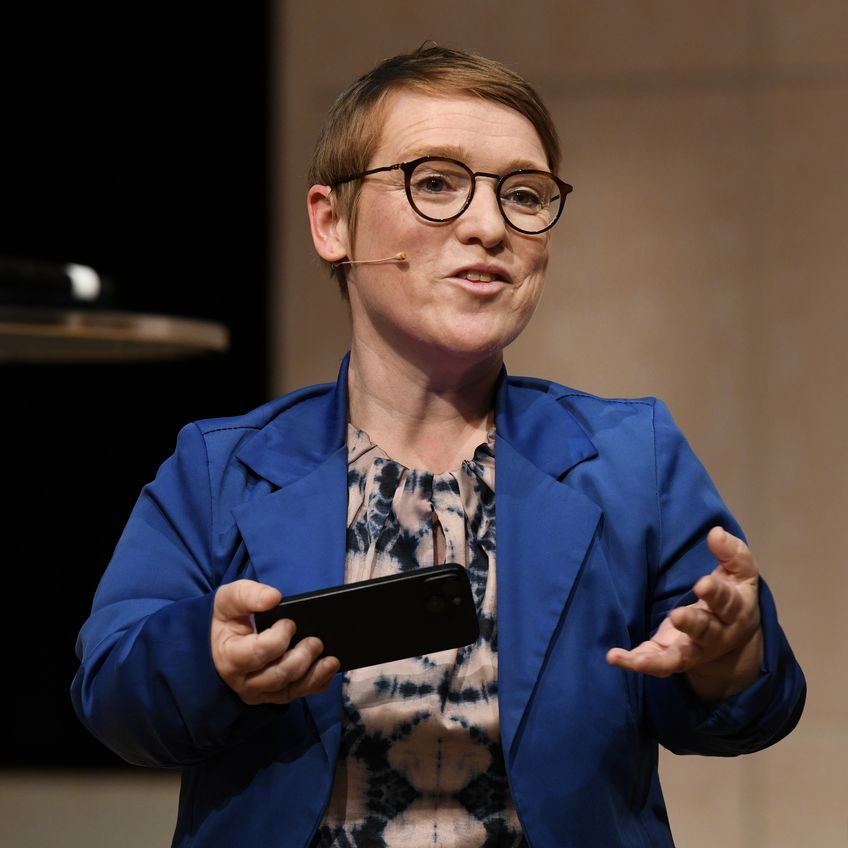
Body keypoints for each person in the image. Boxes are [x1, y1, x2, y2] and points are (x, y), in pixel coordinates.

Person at [72, 46, 805, 847]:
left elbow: (746, 714)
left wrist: (728, 652)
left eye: (524, 195)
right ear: (331, 223)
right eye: (435, 183)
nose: (489, 226)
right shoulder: (221, 468)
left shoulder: (632, 459)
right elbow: (111, 694)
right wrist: (206, 662)